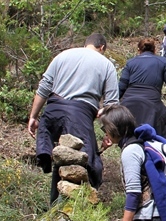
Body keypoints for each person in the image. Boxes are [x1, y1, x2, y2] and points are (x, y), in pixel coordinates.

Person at [28, 32, 118, 204]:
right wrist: (109, 134)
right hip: (79, 115)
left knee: (63, 158)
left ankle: (55, 205)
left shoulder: (63, 55)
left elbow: (44, 87)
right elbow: (111, 104)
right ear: (102, 48)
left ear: (86, 44)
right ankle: (75, 208)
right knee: (87, 163)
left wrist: (33, 116)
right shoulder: (106, 65)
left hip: (52, 112)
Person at [118, 37, 166, 139]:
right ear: (154, 50)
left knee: (128, 137)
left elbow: (121, 87)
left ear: (139, 50)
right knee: (160, 117)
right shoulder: (162, 61)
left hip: (128, 104)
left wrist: (110, 107)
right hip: (151, 104)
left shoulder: (130, 62)